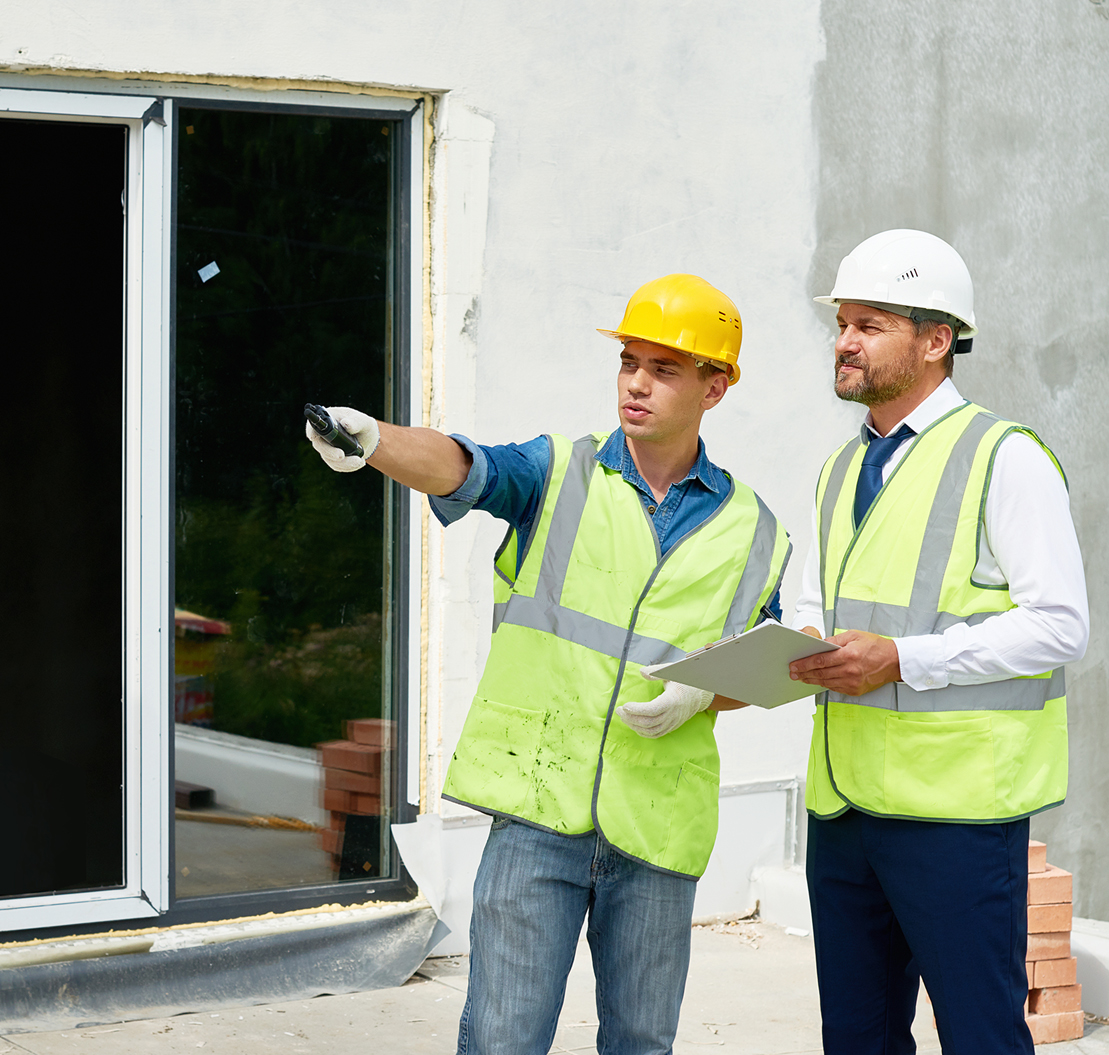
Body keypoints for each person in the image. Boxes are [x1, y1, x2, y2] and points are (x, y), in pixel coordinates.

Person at [303, 275, 791, 1055]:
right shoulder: (559, 473)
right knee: (502, 1039)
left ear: (716, 386)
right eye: (630, 361)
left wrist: (703, 695)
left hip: (657, 826)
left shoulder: (755, 530)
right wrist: (378, 443)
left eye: (664, 369)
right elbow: (465, 465)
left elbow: (760, 666)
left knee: (641, 1042)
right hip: (538, 811)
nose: (636, 381)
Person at [782, 230, 1089, 1055]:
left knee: (980, 1038)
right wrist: (799, 642)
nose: (844, 341)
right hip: (844, 807)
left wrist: (903, 659)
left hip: (954, 815)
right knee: (858, 1037)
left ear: (936, 339)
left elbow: (1061, 624)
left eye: (869, 323)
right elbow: (813, 602)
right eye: (841, 322)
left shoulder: (1005, 458)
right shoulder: (839, 470)